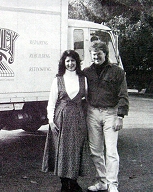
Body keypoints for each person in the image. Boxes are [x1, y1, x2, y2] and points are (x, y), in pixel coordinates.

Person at [83, 41, 129, 192]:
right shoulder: (87, 72)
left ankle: (112, 184)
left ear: (105, 54)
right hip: (92, 112)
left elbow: (123, 95)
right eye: (93, 54)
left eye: (99, 54)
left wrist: (120, 116)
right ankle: (102, 181)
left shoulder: (117, 71)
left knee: (111, 151)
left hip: (111, 113)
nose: (96, 56)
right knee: (95, 150)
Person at [42, 50, 87, 192]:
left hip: (78, 118)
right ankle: (64, 183)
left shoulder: (83, 79)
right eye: (67, 61)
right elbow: (51, 102)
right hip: (60, 119)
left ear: (77, 62)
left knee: (75, 149)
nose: (70, 63)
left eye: (73, 60)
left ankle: (73, 182)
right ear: (63, 63)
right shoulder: (58, 79)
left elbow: (88, 99)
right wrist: (51, 121)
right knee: (61, 151)